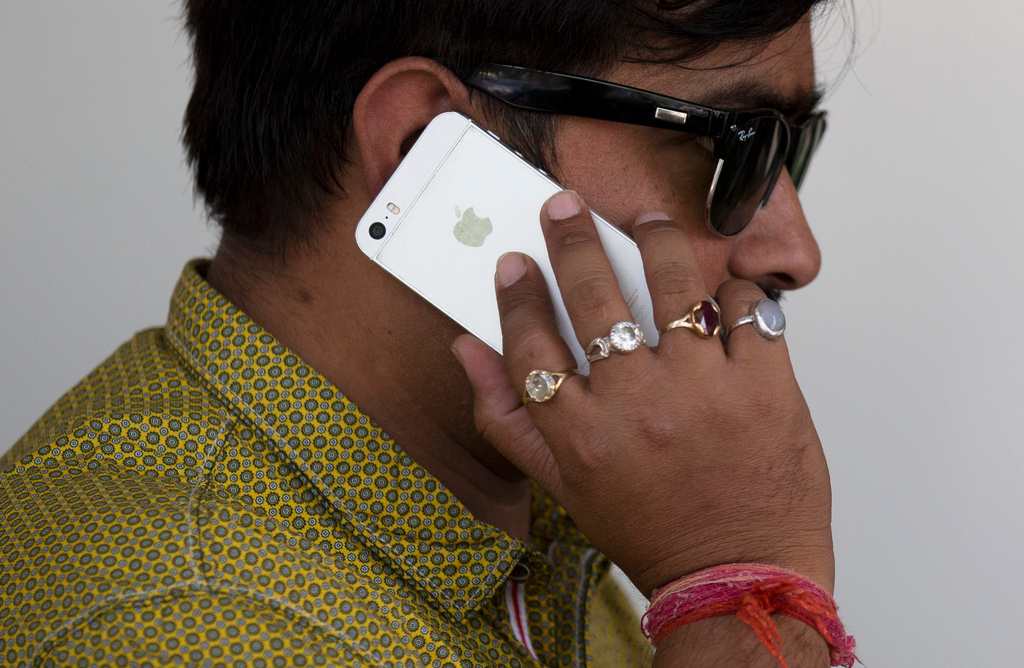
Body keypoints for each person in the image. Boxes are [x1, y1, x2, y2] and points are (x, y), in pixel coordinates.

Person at [0, 1, 847, 666]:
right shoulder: (191, 627)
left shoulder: (575, 505)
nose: (794, 251)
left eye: (793, 149)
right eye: (739, 148)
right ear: (422, 148)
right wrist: (742, 587)